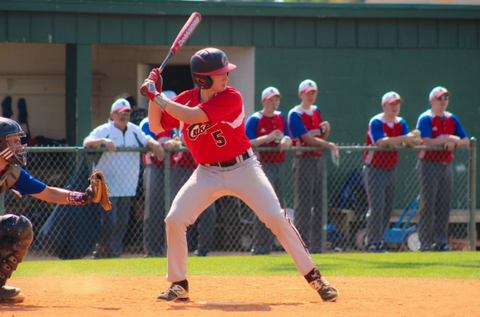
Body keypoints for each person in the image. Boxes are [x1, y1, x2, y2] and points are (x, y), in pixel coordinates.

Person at [141, 47, 339, 302]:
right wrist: (152, 94)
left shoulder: (231, 97)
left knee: (275, 218)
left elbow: (190, 116)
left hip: (244, 168)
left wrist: (156, 95)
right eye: (221, 73)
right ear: (203, 79)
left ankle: (315, 278)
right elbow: (157, 125)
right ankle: (179, 283)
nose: (227, 76)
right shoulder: (185, 98)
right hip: (207, 173)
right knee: (175, 219)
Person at [0, 117, 103, 302]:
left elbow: (49, 193)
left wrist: (83, 197)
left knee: (18, 227)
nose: (19, 146)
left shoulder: (11, 171)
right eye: (13, 141)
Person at [83, 98, 163, 259]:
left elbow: (147, 140)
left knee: (122, 221)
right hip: (107, 186)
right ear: (112, 115)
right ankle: (101, 252)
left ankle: (114, 252)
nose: (124, 116)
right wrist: (103, 141)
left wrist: (156, 145)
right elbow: (87, 141)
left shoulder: (134, 129)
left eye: (127, 112)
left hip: (127, 185)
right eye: (120, 113)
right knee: (109, 221)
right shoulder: (104, 129)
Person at [363, 92, 421, 253]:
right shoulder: (376, 121)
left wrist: (411, 139)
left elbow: (408, 140)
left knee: (387, 208)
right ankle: (372, 243)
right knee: (377, 207)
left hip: (391, 169)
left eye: (397, 103)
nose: (395, 107)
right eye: (391, 104)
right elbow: (381, 142)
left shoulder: (400, 122)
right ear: (384, 106)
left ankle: (378, 241)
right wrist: (405, 137)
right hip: (374, 169)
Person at [287, 79, 338, 254]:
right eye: (307, 93)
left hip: (317, 160)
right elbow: (307, 138)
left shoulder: (316, 111)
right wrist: (328, 144)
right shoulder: (295, 113)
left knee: (319, 204)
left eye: (313, 93)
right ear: (300, 94)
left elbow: (319, 138)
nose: (311, 96)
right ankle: (300, 246)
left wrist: (326, 132)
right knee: (303, 205)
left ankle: (317, 246)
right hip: (303, 161)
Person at [415, 86, 469, 252]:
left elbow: (466, 139)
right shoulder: (426, 118)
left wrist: (455, 142)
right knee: (428, 205)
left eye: (446, 98)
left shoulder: (451, 118)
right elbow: (425, 140)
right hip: (428, 165)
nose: (443, 101)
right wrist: (448, 138)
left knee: (444, 205)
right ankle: (425, 242)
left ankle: (441, 242)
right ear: (431, 101)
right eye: (440, 98)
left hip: (445, 166)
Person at [245, 86, 292, 255]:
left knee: (278, 206)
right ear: (263, 102)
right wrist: (268, 137)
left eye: (276, 100)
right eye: (271, 100)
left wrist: (287, 140)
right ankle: (260, 246)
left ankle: (274, 244)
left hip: (279, 165)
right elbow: (247, 142)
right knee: (264, 205)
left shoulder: (281, 117)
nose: (274, 103)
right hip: (261, 166)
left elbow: (288, 135)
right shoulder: (255, 119)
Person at [139, 102, 180, 257]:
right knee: (153, 210)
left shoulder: (172, 123)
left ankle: (167, 249)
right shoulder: (147, 121)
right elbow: (145, 139)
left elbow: (179, 139)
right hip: (154, 167)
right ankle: (152, 250)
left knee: (170, 211)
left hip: (170, 169)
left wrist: (174, 142)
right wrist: (156, 143)